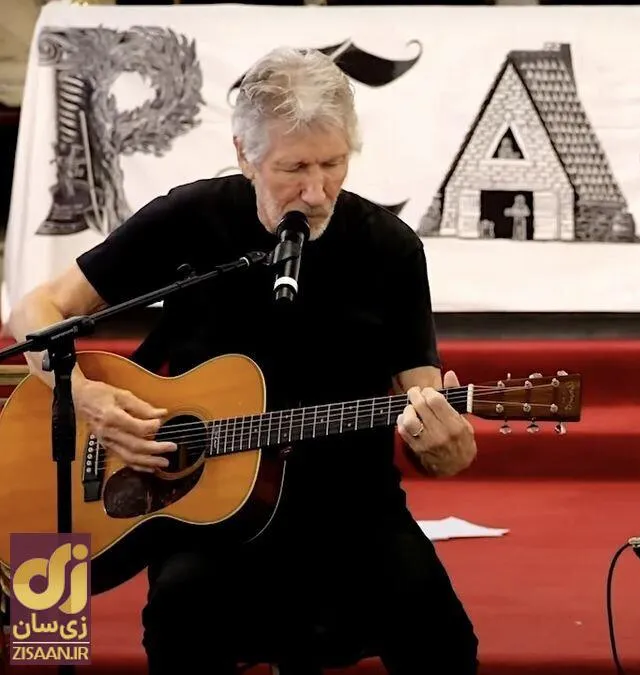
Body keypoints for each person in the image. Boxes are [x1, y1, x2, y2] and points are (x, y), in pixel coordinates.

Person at [5, 47, 479, 674]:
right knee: (176, 612)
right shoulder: (190, 218)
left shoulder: (389, 248)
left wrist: (446, 448)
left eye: (334, 163)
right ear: (245, 155)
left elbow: (426, 407)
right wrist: (82, 393)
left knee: (443, 640)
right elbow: (36, 311)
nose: (317, 190)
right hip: (196, 504)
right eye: (294, 167)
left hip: (350, 505)